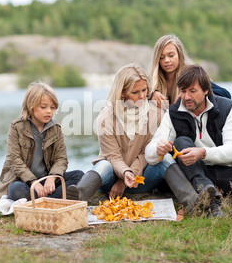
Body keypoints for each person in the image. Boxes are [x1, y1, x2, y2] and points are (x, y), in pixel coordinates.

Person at [145, 64, 232, 219]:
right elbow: (149, 155)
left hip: (228, 174)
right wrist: (158, 148)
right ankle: (212, 204)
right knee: (182, 141)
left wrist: (203, 153)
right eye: (183, 91)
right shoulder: (173, 113)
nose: (186, 97)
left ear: (206, 90)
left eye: (192, 91)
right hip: (196, 176)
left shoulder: (228, 108)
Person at [66, 63, 177, 201]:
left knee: (164, 158)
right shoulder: (106, 117)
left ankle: (192, 198)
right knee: (104, 164)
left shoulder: (156, 114)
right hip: (111, 181)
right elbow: (113, 156)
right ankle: (78, 195)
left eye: (144, 90)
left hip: (141, 180)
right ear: (122, 93)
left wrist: (125, 181)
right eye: (135, 92)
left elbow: (145, 154)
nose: (142, 96)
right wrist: (124, 175)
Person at [0, 82, 83, 200]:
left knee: (80, 176)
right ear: (31, 106)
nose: (49, 111)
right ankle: (54, 199)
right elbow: (14, 159)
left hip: (47, 181)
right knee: (16, 190)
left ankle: (44, 200)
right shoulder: (17, 127)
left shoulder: (55, 129)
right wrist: (33, 182)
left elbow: (61, 159)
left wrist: (52, 178)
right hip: (24, 181)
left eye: (52, 107)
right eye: (43, 107)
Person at [149, 34, 231, 109]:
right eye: (161, 57)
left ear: (180, 54)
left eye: (171, 55)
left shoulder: (192, 75)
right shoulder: (151, 80)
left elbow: (226, 95)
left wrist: (192, 95)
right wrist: (150, 96)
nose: (166, 60)